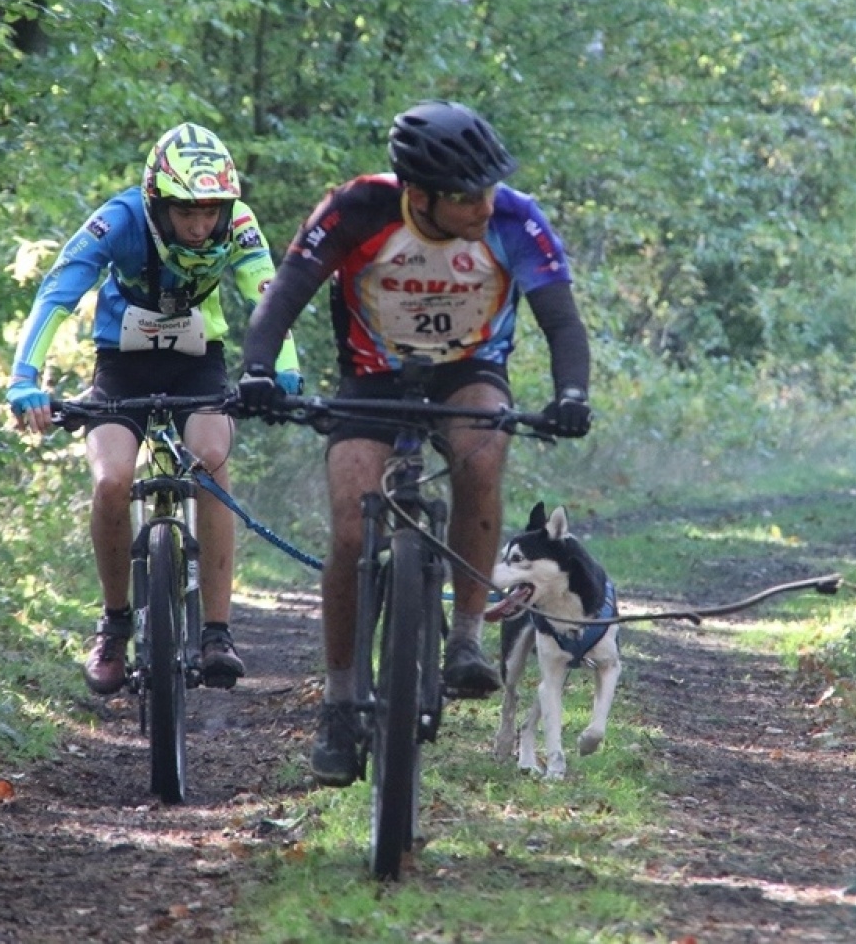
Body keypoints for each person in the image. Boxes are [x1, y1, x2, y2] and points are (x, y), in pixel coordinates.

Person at [238, 99, 593, 787]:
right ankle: (341, 702)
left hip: (469, 370)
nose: (485, 207)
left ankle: (465, 637)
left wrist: (571, 395)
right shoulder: (357, 209)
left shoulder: (515, 218)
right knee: (349, 523)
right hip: (370, 378)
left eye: (490, 188)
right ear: (420, 196)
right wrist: (257, 369)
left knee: (483, 446)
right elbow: (283, 295)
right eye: (467, 197)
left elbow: (562, 321)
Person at [6, 123, 302, 695]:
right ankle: (114, 624)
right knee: (112, 479)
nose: (198, 226)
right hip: (122, 363)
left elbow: (269, 294)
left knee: (212, 460)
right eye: (185, 213)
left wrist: (279, 372)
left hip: (198, 362)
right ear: (156, 203)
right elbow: (58, 292)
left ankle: (218, 631)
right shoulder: (118, 221)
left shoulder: (236, 225)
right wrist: (25, 379)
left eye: (210, 212)